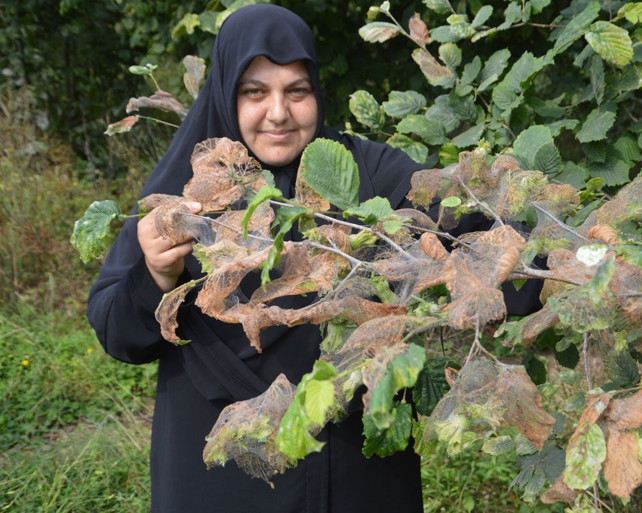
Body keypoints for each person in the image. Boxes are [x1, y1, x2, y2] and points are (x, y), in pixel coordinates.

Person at [87, 5, 424, 512]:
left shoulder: (365, 174)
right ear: (227, 94)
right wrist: (155, 274)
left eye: (297, 91)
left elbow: (475, 232)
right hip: (226, 474)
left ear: (317, 92)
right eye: (255, 92)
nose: (278, 113)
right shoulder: (184, 196)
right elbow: (117, 333)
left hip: (355, 472)